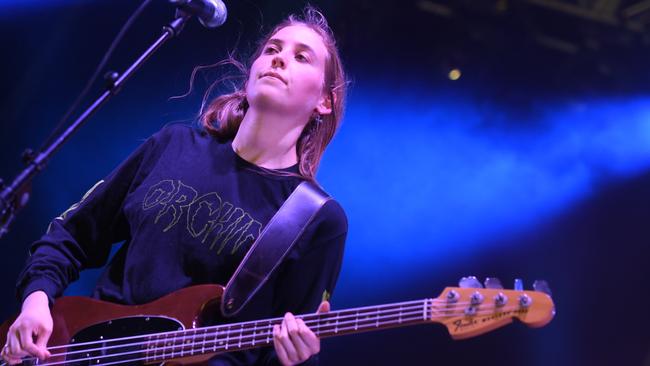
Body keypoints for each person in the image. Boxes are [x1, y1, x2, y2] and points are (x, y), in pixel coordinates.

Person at [2, 6, 348, 366]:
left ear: (325, 101)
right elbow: (71, 236)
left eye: (301, 57)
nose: (278, 60)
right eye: (272, 49)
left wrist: (296, 359)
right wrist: (36, 300)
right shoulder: (173, 146)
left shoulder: (316, 218)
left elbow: (279, 350)